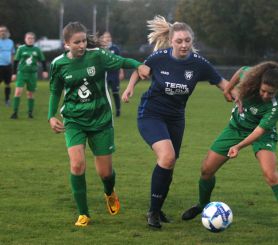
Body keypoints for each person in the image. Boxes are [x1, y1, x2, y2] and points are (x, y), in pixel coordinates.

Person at [121, 15, 232, 229]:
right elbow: (140, 70)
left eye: (187, 41)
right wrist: (130, 87)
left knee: (169, 163)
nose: (183, 45)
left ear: (192, 41)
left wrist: (237, 96)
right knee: (167, 156)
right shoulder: (159, 57)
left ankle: (157, 207)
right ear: (171, 41)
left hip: (176, 118)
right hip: (151, 113)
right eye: (179, 41)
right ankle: (153, 212)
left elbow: (222, 83)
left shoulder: (199, 64)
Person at [48, 22, 149, 227]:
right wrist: (51, 115)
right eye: (77, 42)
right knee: (77, 164)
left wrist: (138, 65)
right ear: (66, 43)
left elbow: (123, 61)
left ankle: (109, 192)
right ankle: (83, 214)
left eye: (84, 40)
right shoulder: (58, 64)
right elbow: (55, 91)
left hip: (101, 120)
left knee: (105, 173)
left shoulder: (98, 56)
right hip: (74, 120)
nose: (82, 45)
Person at [182, 61, 278, 221]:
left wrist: (238, 146)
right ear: (258, 82)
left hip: (262, 134)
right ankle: (203, 205)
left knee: (271, 175)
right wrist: (227, 89)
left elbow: (259, 131)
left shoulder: (274, 106)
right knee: (206, 170)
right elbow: (241, 70)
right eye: (264, 91)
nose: (266, 96)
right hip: (236, 127)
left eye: (271, 93)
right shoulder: (250, 77)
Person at [10, 32, 48, 119]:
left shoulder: (37, 49)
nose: (30, 40)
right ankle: (15, 113)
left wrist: (45, 71)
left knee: (30, 94)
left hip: (32, 74)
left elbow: (43, 60)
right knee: (18, 92)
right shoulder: (21, 49)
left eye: (32, 38)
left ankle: (30, 113)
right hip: (22, 73)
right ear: (25, 39)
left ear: (34, 40)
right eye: (28, 38)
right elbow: (16, 61)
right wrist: (14, 73)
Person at [101, 31, 124, 117]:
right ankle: (107, 111)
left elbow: (120, 60)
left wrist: (121, 72)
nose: (107, 38)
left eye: (109, 37)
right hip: (104, 75)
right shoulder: (101, 49)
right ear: (103, 39)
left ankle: (118, 111)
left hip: (114, 74)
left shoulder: (115, 48)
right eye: (106, 37)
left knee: (115, 93)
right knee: (105, 94)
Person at [0, 25, 15, 106]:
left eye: (3, 31)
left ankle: (7, 100)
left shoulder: (10, 42)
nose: (2, 32)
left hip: (8, 66)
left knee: (8, 84)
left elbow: (12, 53)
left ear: (6, 32)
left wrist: (12, 64)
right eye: (0, 31)